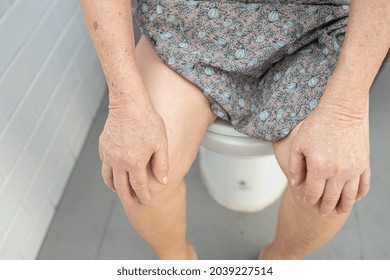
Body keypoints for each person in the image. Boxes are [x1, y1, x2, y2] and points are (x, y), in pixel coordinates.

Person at [79, 0, 389, 259]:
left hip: (310, 28)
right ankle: (177, 262)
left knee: (326, 182)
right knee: (143, 171)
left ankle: (278, 261)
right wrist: (124, 104)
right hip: (185, 27)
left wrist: (343, 112)